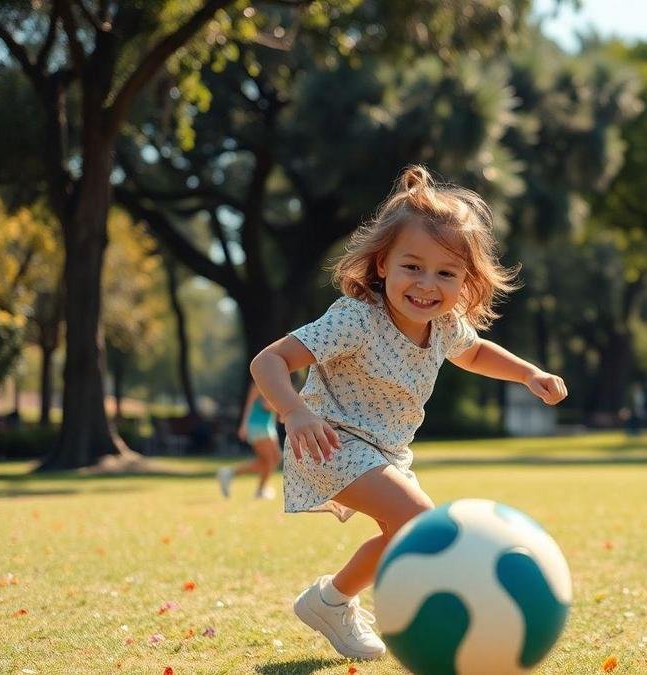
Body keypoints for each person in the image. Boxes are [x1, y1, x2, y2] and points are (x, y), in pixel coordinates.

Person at [250, 166, 567, 660]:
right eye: (412, 266)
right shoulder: (356, 319)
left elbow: (476, 352)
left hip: (388, 452)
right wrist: (294, 413)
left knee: (405, 535)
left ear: (466, 281)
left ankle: (330, 600)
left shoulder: (444, 326)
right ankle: (337, 602)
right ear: (382, 265)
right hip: (331, 441)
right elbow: (268, 360)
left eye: (446, 272)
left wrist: (529, 374)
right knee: (423, 524)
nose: (426, 284)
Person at [217, 383, 282, 499]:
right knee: (268, 460)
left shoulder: (276, 381)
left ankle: (229, 474)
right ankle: (259, 490)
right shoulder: (259, 384)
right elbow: (256, 405)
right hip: (257, 426)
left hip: (268, 426)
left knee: (274, 458)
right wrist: (243, 425)